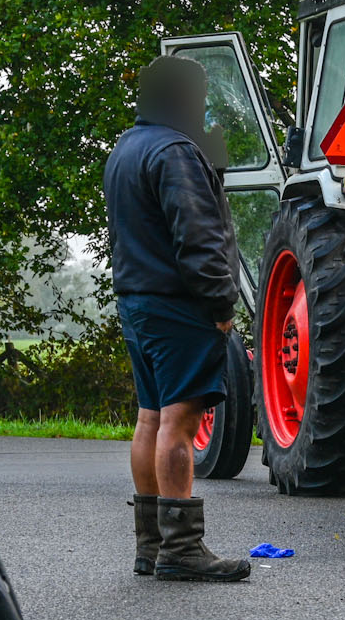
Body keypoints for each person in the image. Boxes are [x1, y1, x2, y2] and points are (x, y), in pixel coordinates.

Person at [105, 54, 251, 581]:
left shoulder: (127, 147)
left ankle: (151, 545)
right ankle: (182, 550)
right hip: (179, 305)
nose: (204, 104)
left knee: (151, 417)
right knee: (179, 424)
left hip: (137, 301)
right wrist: (219, 305)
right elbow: (199, 236)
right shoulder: (175, 151)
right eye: (200, 94)